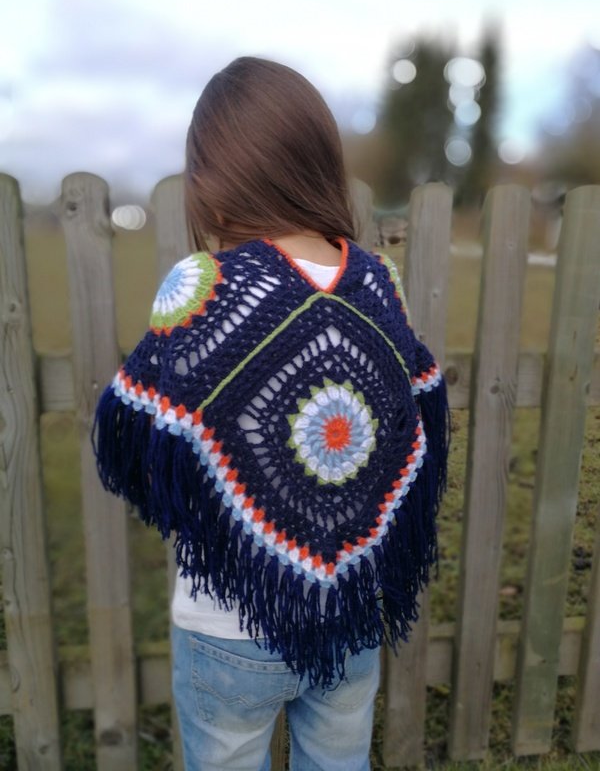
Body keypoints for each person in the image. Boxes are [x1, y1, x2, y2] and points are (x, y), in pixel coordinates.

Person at [92, 56, 451, 771]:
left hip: (227, 620)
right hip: (351, 611)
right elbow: (418, 422)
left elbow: (137, 443)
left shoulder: (202, 286)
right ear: (319, 167)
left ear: (213, 183)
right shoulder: (378, 282)